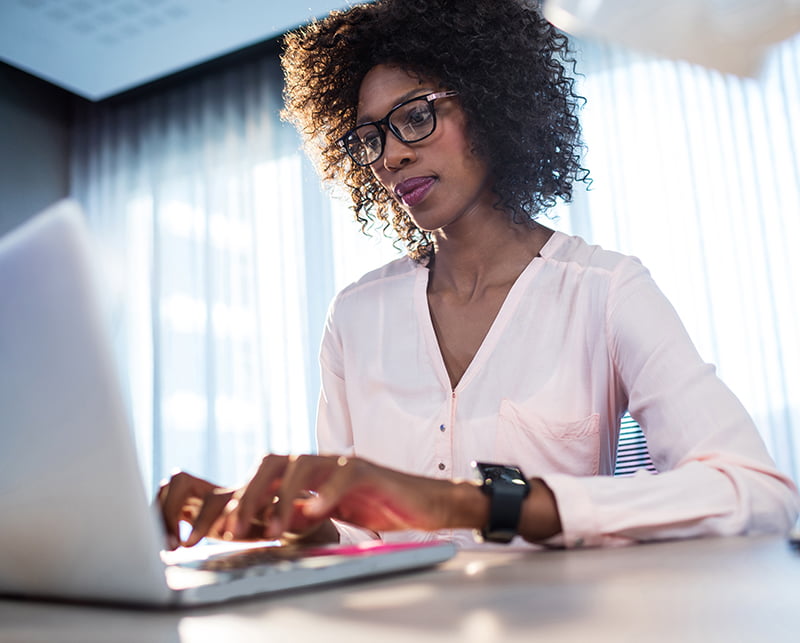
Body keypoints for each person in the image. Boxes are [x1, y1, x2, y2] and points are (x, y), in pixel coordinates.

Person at [158, 0, 799, 551]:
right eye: (370, 138)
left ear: (492, 105)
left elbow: (756, 492)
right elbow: (356, 540)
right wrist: (270, 523)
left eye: (415, 116)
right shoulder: (355, 316)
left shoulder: (605, 290)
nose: (391, 155)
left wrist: (471, 503)